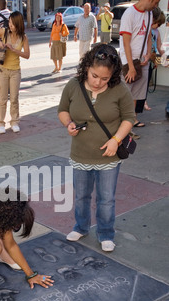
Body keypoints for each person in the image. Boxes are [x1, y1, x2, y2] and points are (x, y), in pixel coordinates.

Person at [58, 43, 135, 252]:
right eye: (94, 76)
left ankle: (106, 233)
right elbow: (63, 110)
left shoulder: (119, 88)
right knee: (81, 195)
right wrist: (69, 124)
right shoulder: (74, 85)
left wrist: (116, 140)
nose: (99, 82)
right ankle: (81, 227)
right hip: (81, 153)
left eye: (104, 79)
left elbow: (129, 118)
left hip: (108, 156)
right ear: (86, 67)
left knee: (106, 199)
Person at [119, 0, 163, 134]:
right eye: (156, 2)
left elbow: (148, 37)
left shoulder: (149, 14)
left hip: (142, 62)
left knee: (136, 96)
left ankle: (129, 128)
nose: (156, 6)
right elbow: (126, 43)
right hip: (129, 62)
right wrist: (131, 66)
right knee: (125, 96)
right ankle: (120, 130)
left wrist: (148, 54)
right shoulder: (130, 14)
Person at [0, 11, 30, 134]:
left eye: (13, 24)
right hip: (3, 69)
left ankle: (14, 121)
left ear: (18, 24)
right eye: (9, 23)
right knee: (2, 98)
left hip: (15, 71)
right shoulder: (4, 32)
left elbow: (27, 55)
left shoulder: (23, 37)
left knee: (14, 98)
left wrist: (14, 50)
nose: (10, 25)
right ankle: (1, 123)